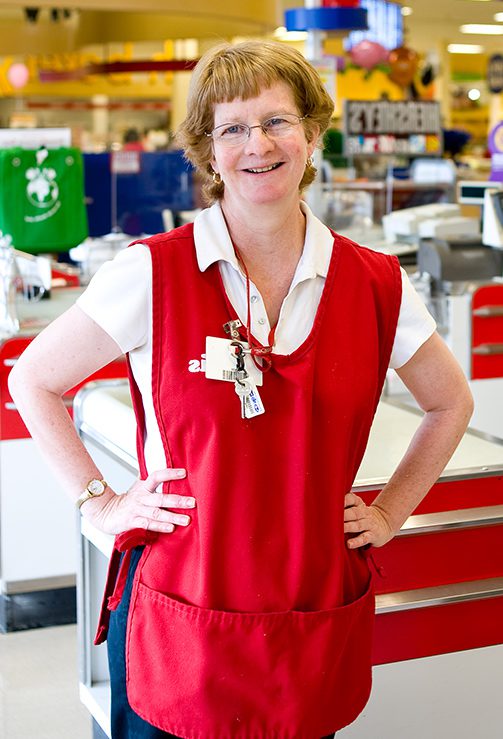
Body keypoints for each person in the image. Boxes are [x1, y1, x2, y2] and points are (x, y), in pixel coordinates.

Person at [9, 41, 473, 739]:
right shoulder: (151, 274)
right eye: (231, 128)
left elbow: (449, 402)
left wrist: (388, 513)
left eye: (276, 121)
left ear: (312, 133)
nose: (256, 144)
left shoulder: (375, 282)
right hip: (181, 613)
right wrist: (98, 502)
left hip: (308, 613)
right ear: (208, 150)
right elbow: (33, 380)